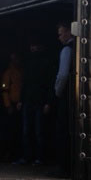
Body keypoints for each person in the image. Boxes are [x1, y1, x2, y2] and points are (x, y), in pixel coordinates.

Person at [17, 40, 54, 165]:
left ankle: (40, 158)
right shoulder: (28, 63)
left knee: (39, 132)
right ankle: (28, 157)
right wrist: (21, 100)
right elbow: (24, 83)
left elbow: (50, 84)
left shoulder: (46, 62)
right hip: (28, 101)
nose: (33, 48)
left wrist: (48, 102)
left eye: (35, 45)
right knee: (27, 131)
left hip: (40, 102)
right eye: (32, 45)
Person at [54, 22, 74, 171]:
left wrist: (57, 92)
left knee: (62, 131)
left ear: (68, 32)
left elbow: (63, 75)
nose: (59, 37)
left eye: (61, 34)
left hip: (66, 95)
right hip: (74, 96)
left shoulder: (67, 50)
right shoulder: (79, 48)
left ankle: (62, 165)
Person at [1, 52, 23, 160]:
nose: (15, 61)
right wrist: (8, 105)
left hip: (22, 104)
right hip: (12, 105)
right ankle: (10, 153)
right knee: (11, 130)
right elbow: (4, 89)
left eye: (16, 59)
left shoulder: (23, 71)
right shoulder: (8, 73)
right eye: (13, 59)